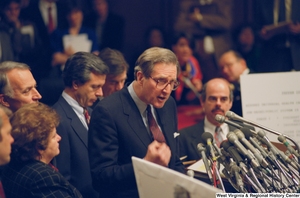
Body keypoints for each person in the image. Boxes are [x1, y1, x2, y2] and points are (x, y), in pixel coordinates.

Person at [88, 47, 185, 198]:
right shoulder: (107, 111)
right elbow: (101, 178)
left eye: (172, 82)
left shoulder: (169, 104)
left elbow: (175, 160)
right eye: (161, 81)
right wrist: (145, 165)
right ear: (140, 77)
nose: (167, 90)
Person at [52, 51, 108, 198]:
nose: (100, 93)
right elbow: (63, 179)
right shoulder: (57, 119)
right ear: (76, 83)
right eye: (95, 87)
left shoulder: (92, 112)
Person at [1, 103, 82, 198]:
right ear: (39, 146)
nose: (59, 138)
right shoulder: (43, 178)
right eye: (53, 136)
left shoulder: (12, 165)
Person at [174, 0, 234, 83]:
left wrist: (200, 19)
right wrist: (211, 26)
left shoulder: (222, 2)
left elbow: (225, 23)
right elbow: (180, 26)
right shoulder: (187, 3)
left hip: (218, 53)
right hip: (196, 53)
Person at [178, 78, 235, 162]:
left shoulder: (244, 134)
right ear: (202, 101)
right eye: (213, 99)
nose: (218, 104)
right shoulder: (183, 137)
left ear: (230, 102)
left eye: (223, 99)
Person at [0, 0, 44, 83]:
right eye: (9, 9)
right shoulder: (2, 30)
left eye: (16, 9)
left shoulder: (29, 26)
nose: (13, 13)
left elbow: (33, 48)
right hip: (7, 70)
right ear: (3, 10)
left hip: (29, 67)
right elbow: (15, 49)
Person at [255, 0, 300, 72]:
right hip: (273, 54)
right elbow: (256, 29)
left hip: (297, 50)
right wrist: (262, 33)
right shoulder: (263, 2)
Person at [171, 33, 203, 106]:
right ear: (174, 47)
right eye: (182, 45)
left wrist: (197, 86)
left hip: (189, 105)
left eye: (189, 46)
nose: (186, 50)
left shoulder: (194, 63)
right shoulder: (169, 65)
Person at [218, 50, 252, 116]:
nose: (224, 70)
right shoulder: (231, 84)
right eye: (222, 68)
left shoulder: (256, 80)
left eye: (229, 65)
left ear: (242, 64)